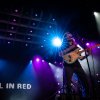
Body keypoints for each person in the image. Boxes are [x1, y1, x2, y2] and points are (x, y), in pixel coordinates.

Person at [59, 32, 91, 99]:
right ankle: (69, 97)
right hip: (68, 65)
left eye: (71, 35)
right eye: (69, 35)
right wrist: (71, 48)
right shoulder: (62, 45)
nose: (71, 36)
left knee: (85, 80)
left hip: (77, 65)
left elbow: (80, 58)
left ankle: (87, 96)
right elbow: (61, 54)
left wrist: (87, 54)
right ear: (65, 37)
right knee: (68, 84)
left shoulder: (76, 46)